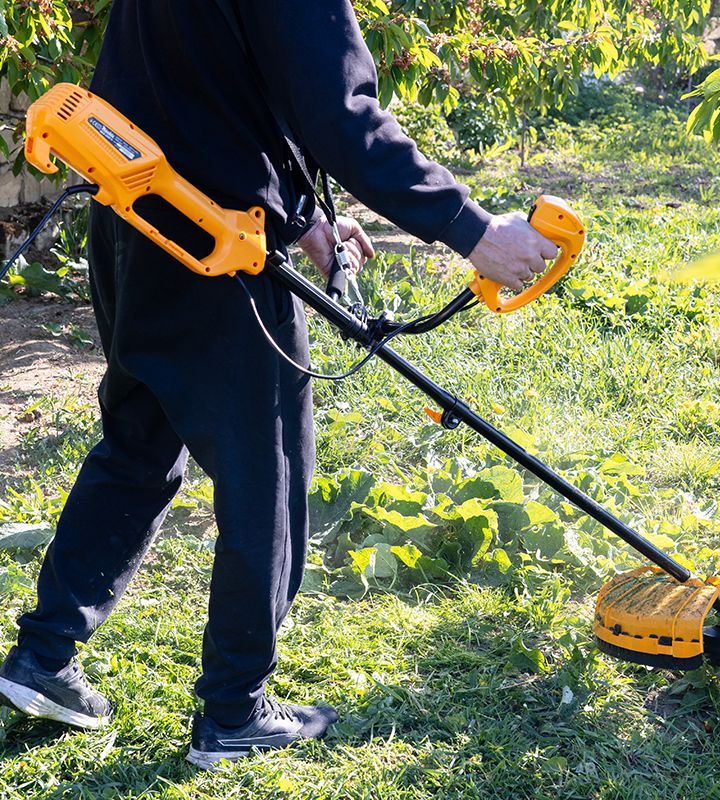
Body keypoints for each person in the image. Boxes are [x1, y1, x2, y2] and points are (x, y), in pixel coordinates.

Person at [0, 0, 558, 770]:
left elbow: (201, 90)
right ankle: (235, 710)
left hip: (133, 213)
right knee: (269, 470)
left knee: (140, 439)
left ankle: (43, 659)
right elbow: (340, 113)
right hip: (210, 248)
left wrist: (297, 218)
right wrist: (472, 228)